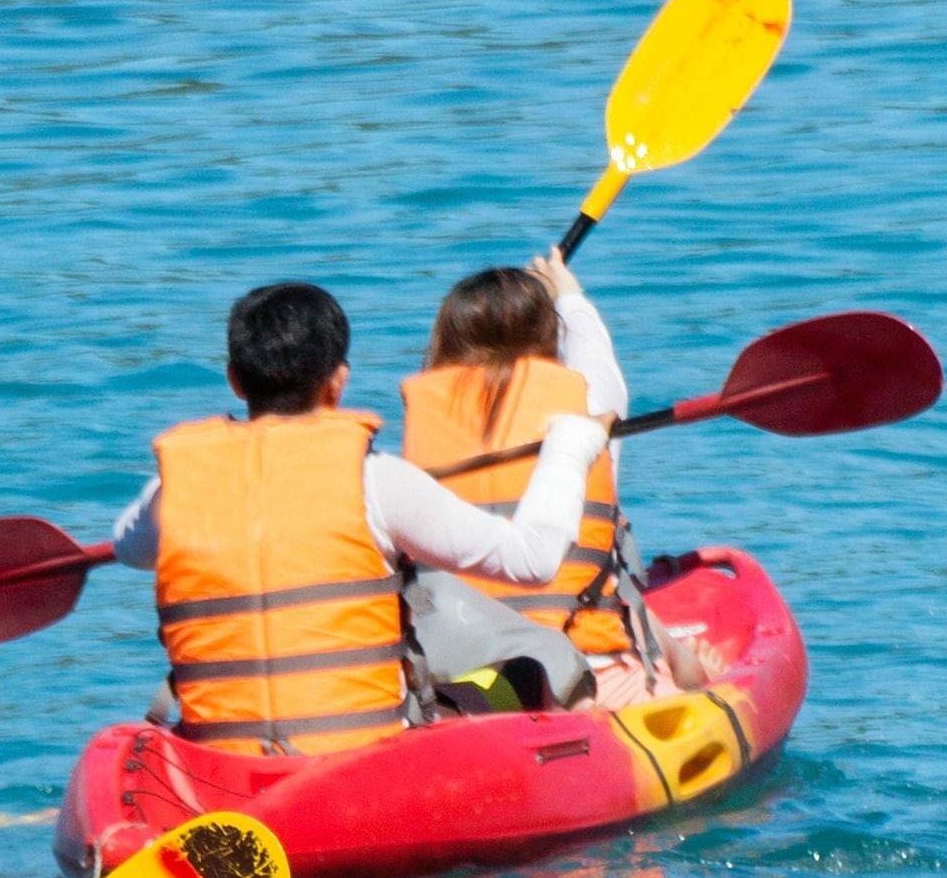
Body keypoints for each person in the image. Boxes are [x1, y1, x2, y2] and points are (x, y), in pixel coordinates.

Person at [105, 276, 614, 757]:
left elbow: (126, 545)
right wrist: (570, 448)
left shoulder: (172, 490)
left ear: (236, 381)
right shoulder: (378, 481)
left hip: (229, 763)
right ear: (338, 381)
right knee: (521, 678)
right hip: (358, 762)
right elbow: (531, 560)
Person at [392, 247, 713, 691]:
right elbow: (598, 362)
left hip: (457, 674)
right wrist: (569, 296)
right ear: (547, 338)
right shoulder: (586, 412)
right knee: (683, 667)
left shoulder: (419, 433)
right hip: (584, 670)